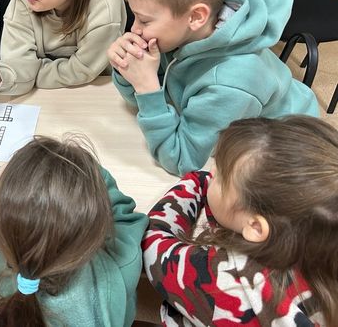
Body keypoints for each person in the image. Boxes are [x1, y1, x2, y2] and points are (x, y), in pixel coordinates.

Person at [107, 0, 319, 176]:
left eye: (144, 20)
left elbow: (183, 160)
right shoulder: (186, 28)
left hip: (285, 149)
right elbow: (146, 102)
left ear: (196, 17)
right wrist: (130, 70)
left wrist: (146, 87)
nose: (135, 29)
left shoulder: (231, 82)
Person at [143, 115, 338, 326]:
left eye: (220, 177)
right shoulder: (321, 239)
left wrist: (196, 182)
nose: (212, 171)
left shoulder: (228, 275)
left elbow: (153, 246)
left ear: (256, 227)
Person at [0, 135, 147, 326]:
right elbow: (125, 218)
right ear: (93, 236)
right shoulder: (117, 267)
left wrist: (8, 185)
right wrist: (85, 171)